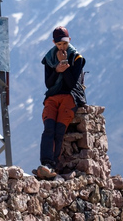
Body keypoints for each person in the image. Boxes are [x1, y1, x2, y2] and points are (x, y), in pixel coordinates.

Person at [36, 26, 86, 179]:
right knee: (48, 128)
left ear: (69, 41)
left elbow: (71, 84)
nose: (62, 47)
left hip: (71, 96)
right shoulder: (49, 59)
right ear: (54, 43)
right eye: (59, 45)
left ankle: (53, 164)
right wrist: (57, 69)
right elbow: (49, 84)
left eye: (64, 44)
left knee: (59, 129)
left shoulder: (76, 58)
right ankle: (45, 163)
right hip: (52, 96)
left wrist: (64, 64)